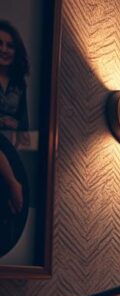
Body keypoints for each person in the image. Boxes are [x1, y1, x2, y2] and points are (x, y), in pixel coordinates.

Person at [0, 20, 29, 257]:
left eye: (9, 45)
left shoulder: (19, 84)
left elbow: (25, 125)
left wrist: (15, 124)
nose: (4, 49)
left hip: (12, 149)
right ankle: (12, 183)